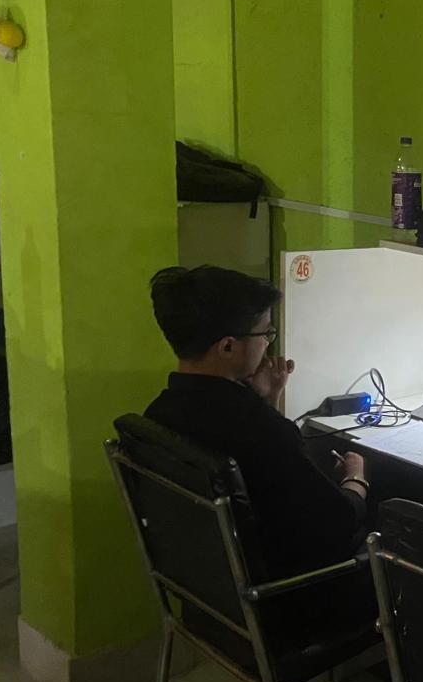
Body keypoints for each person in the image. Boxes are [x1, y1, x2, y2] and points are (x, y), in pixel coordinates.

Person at [144, 266, 372, 630]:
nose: (268, 344)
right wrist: (356, 478)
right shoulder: (260, 430)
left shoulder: (158, 414)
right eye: (265, 334)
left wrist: (267, 399)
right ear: (228, 346)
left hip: (211, 601)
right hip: (287, 607)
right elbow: (339, 522)